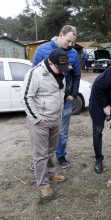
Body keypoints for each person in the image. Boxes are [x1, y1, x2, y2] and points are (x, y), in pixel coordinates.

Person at [31, 25, 81, 169]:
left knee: (62, 131)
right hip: (44, 102)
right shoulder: (42, 50)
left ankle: (60, 155)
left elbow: (76, 76)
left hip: (65, 101)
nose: (71, 45)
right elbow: (33, 74)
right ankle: (40, 160)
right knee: (43, 133)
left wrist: (73, 94)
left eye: (73, 43)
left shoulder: (73, 54)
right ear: (60, 34)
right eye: (68, 41)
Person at [22, 48, 69, 196]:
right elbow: (25, 97)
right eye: (59, 68)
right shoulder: (35, 73)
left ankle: (50, 173)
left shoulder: (61, 72)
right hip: (40, 122)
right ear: (50, 62)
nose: (62, 71)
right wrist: (37, 118)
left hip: (56, 119)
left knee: (50, 151)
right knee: (40, 154)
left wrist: (59, 115)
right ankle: (42, 183)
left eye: (63, 68)